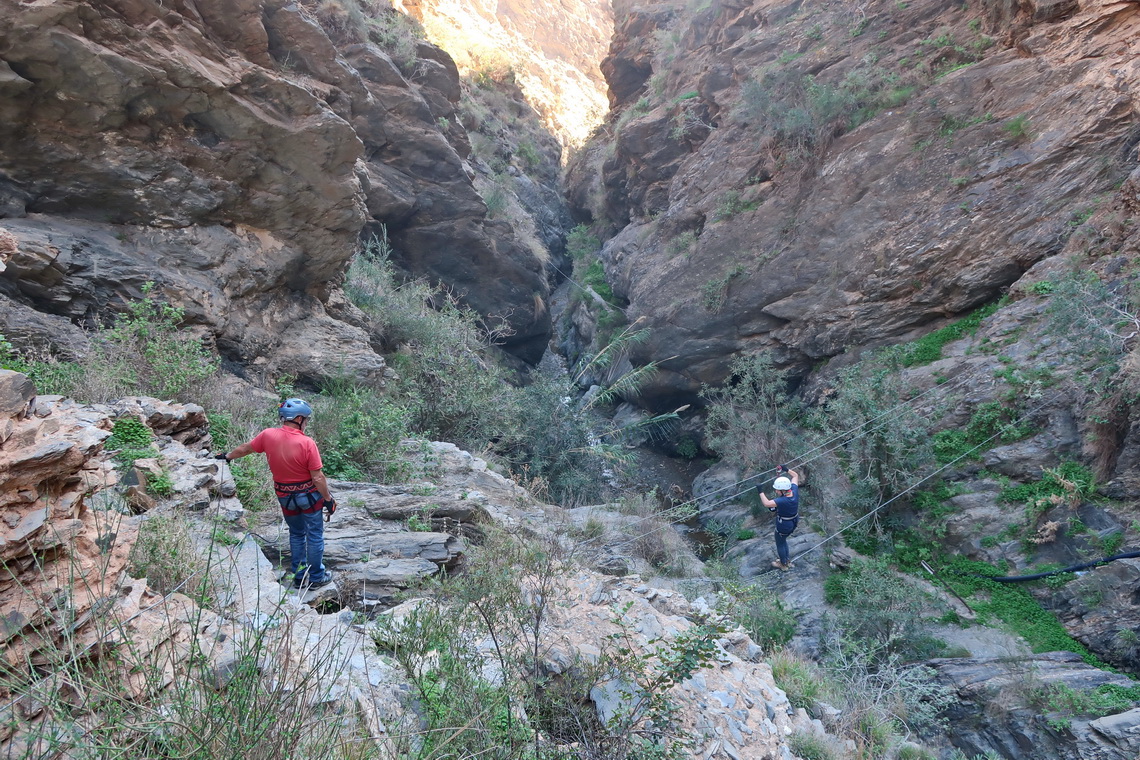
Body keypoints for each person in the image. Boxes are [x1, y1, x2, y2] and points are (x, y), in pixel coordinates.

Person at [216, 398, 336, 588]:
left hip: (284, 496)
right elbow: (318, 478)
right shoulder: (307, 443)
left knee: (296, 533)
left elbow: (246, 448)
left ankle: (299, 576)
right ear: (298, 419)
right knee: (314, 535)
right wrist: (328, 500)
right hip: (309, 497)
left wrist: (227, 456)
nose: (306, 423)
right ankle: (316, 577)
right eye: (306, 419)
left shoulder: (268, 435)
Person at [759, 464, 799, 571]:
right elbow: (795, 476)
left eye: (777, 490)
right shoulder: (794, 491)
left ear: (783, 490)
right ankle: (786, 560)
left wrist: (760, 491)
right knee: (783, 540)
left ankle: (783, 564)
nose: (776, 491)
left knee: (780, 543)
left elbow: (767, 503)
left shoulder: (783, 500)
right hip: (793, 521)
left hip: (784, 525)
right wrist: (787, 470)